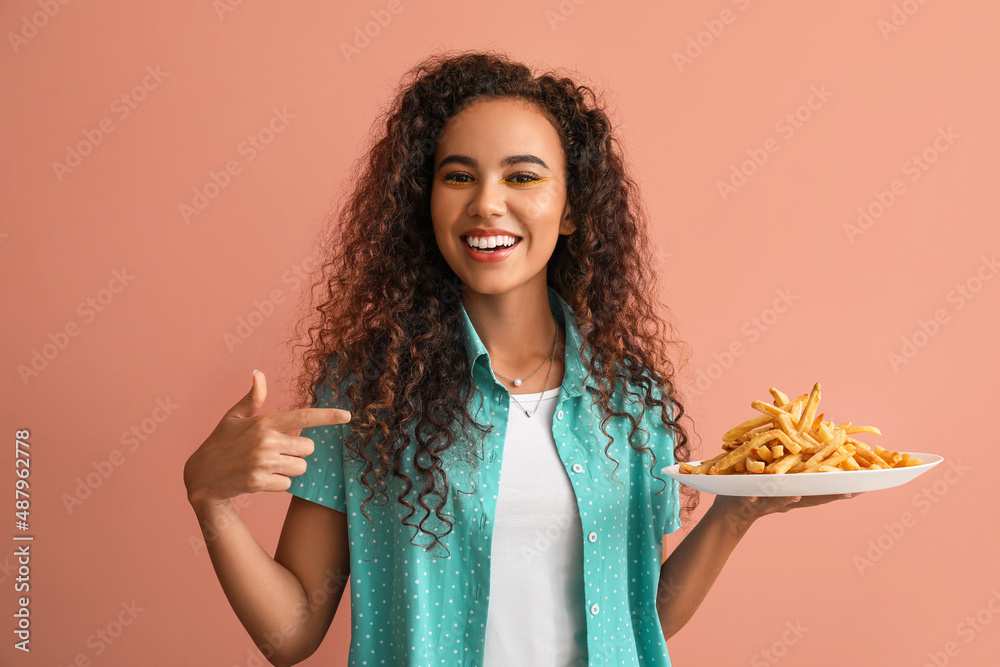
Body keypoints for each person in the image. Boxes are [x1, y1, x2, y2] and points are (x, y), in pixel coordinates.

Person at [183, 50, 854, 667]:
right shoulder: (367, 390)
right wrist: (211, 499)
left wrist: (736, 511)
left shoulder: (627, 393)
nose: (487, 203)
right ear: (426, 200)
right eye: (458, 176)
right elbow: (291, 632)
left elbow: (638, 617)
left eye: (523, 176)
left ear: (569, 209)